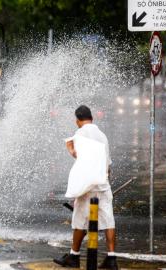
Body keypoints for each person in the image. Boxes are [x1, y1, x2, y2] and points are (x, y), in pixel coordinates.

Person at [54, 105, 118, 270]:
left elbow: (78, 156)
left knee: (80, 222)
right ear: (92, 118)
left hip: (87, 186)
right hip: (103, 184)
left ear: (77, 120)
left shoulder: (79, 134)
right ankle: (111, 259)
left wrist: (69, 147)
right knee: (108, 220)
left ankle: (74, 256)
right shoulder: (103, 136)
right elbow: (108, 165)